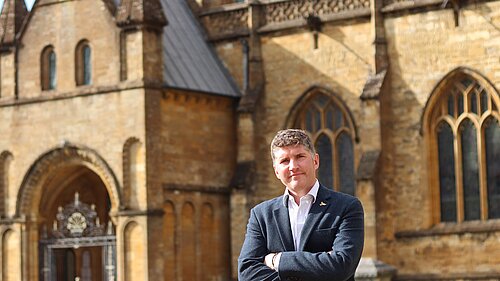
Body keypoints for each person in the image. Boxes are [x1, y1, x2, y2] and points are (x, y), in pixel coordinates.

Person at [238, 129, 364, 281]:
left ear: (315, 161)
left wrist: (277, 260)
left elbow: (342, 266)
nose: (293, 166)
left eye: (299, 157)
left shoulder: (347, 207)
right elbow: (247, 273)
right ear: (276, 171)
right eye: (284, 161)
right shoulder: (261, 215)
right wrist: (322, 262)